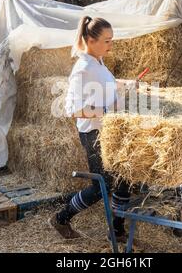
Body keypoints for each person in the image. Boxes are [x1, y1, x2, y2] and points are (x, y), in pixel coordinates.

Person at [49, 16, 133, 242]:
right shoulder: (83, 68)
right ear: (90, 39)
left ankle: (117, 230)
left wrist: (125, 85)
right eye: (107, 40)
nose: (110, 45)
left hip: (109, 131)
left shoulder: (98, 62)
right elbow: (72, 109)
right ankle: (61, 218)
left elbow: (104, 83)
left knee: (124, 178)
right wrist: (106, 113)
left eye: (111, 40)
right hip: (93, 134)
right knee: (101, 186)